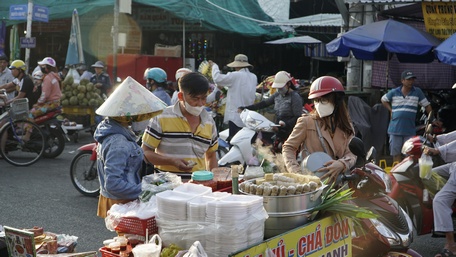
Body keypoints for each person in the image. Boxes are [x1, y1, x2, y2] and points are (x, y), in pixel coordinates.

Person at [94, 77, 167, 218]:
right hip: (120, 202)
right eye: (140, 114)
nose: (145, 119)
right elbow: (113, 184)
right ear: (128, 117)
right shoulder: (118, 143)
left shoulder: (115, 131)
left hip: (122, 198)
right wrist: (146, 189)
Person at [142, 72, 219, 178]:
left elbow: (211, 156)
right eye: (195, 99)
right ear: (181, 96)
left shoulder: (209, 122)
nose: (200, 104)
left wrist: (214, 181)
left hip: (199, 189)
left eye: (204, 98)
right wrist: (172, 161)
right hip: (167, 188)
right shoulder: (161, 117)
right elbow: (145, 152)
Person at [282, 76, 356, 184]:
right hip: (313, 185)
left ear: (336, 100)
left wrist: (342, 164)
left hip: (339, 184)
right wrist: (297, 173)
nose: (319, 104)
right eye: (317, 100)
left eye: (324, 100)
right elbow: (288, 148)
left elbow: (352, 153)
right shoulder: (306, 122)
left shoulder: (346, 125)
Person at [238, 71, 303, 153]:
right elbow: (264, 104)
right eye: (278, 88)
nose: (279, 90)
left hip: (289, 132)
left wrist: (285, 125)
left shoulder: (295, 97)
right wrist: (246, 108)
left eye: (281, 88)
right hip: (278, 129)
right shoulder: (277, 95)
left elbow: (298, 117)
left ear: (288, 84)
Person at [381, 70, 432, 164]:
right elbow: (383, 100)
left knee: (409, 155)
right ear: (402, 81)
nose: (411, 81)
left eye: (412, 79)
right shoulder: (394, 92)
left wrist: (432, 119)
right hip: (395, 129)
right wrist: (391, 110)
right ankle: (395, 176)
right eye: (408, 79)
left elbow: (427, 106)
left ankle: (407, 176)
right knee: (396, 155)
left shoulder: (417, 92)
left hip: (409, 130)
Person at [209, 54, 257, 141]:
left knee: (234, 143)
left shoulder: (235, 75)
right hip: (248, 117)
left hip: (236, 117)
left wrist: (214, 66)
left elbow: (217, 78)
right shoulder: (254, 77)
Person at [423, 131, 456, 257]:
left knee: (439, 200)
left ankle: (451, 245)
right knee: (427, 174)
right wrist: (436, 138)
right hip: (454, 165)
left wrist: (438, 150)